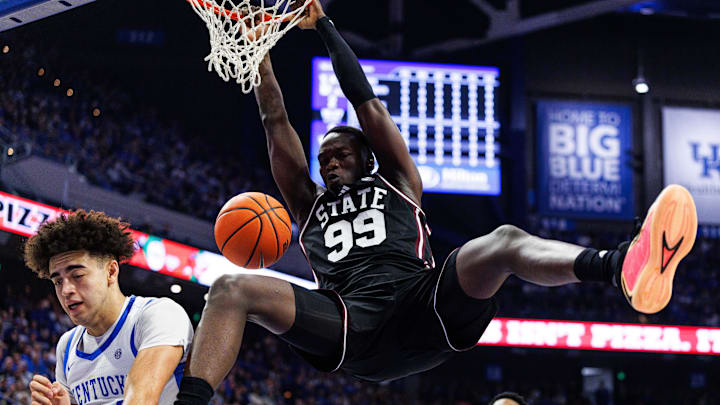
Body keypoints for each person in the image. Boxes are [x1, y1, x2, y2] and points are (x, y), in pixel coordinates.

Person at [174, 1, 698, 403]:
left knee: (504, 242)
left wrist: (326, 28)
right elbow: (275, 122)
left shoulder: (398, 180)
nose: (329, 162)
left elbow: (367, 102)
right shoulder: (306, 203)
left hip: (422, 307)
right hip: (348, 324)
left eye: (341, 154)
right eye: (324, 157)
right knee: (229, 287)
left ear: (368, 158)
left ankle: (620, 268)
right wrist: (260, 55)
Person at [24, 210, 194, 405]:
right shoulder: (67, 346)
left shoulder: (158, 315)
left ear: (111, 272)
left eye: (77, 276)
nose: (66, 290)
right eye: (58, 282)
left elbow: (141, 400)